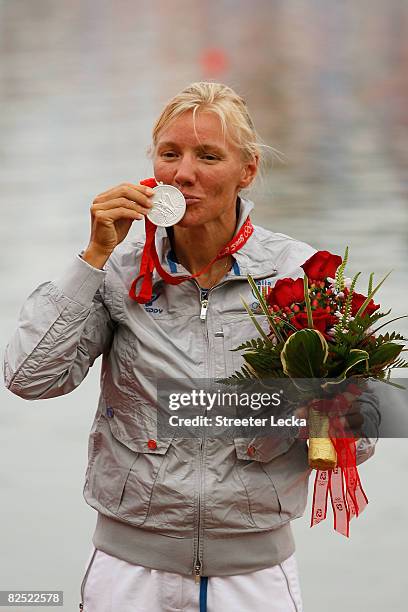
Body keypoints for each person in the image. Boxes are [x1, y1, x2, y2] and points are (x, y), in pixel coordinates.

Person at [3, 82, 379, 612]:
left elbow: (355, 442)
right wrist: (91, 256)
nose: (183, 173)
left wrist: (315, 410)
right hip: (128, 568)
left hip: (253, 575)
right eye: (170, 153)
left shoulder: (298, 273)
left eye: (209, 156)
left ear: (246, 170)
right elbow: (29, 379)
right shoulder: (117, 269)